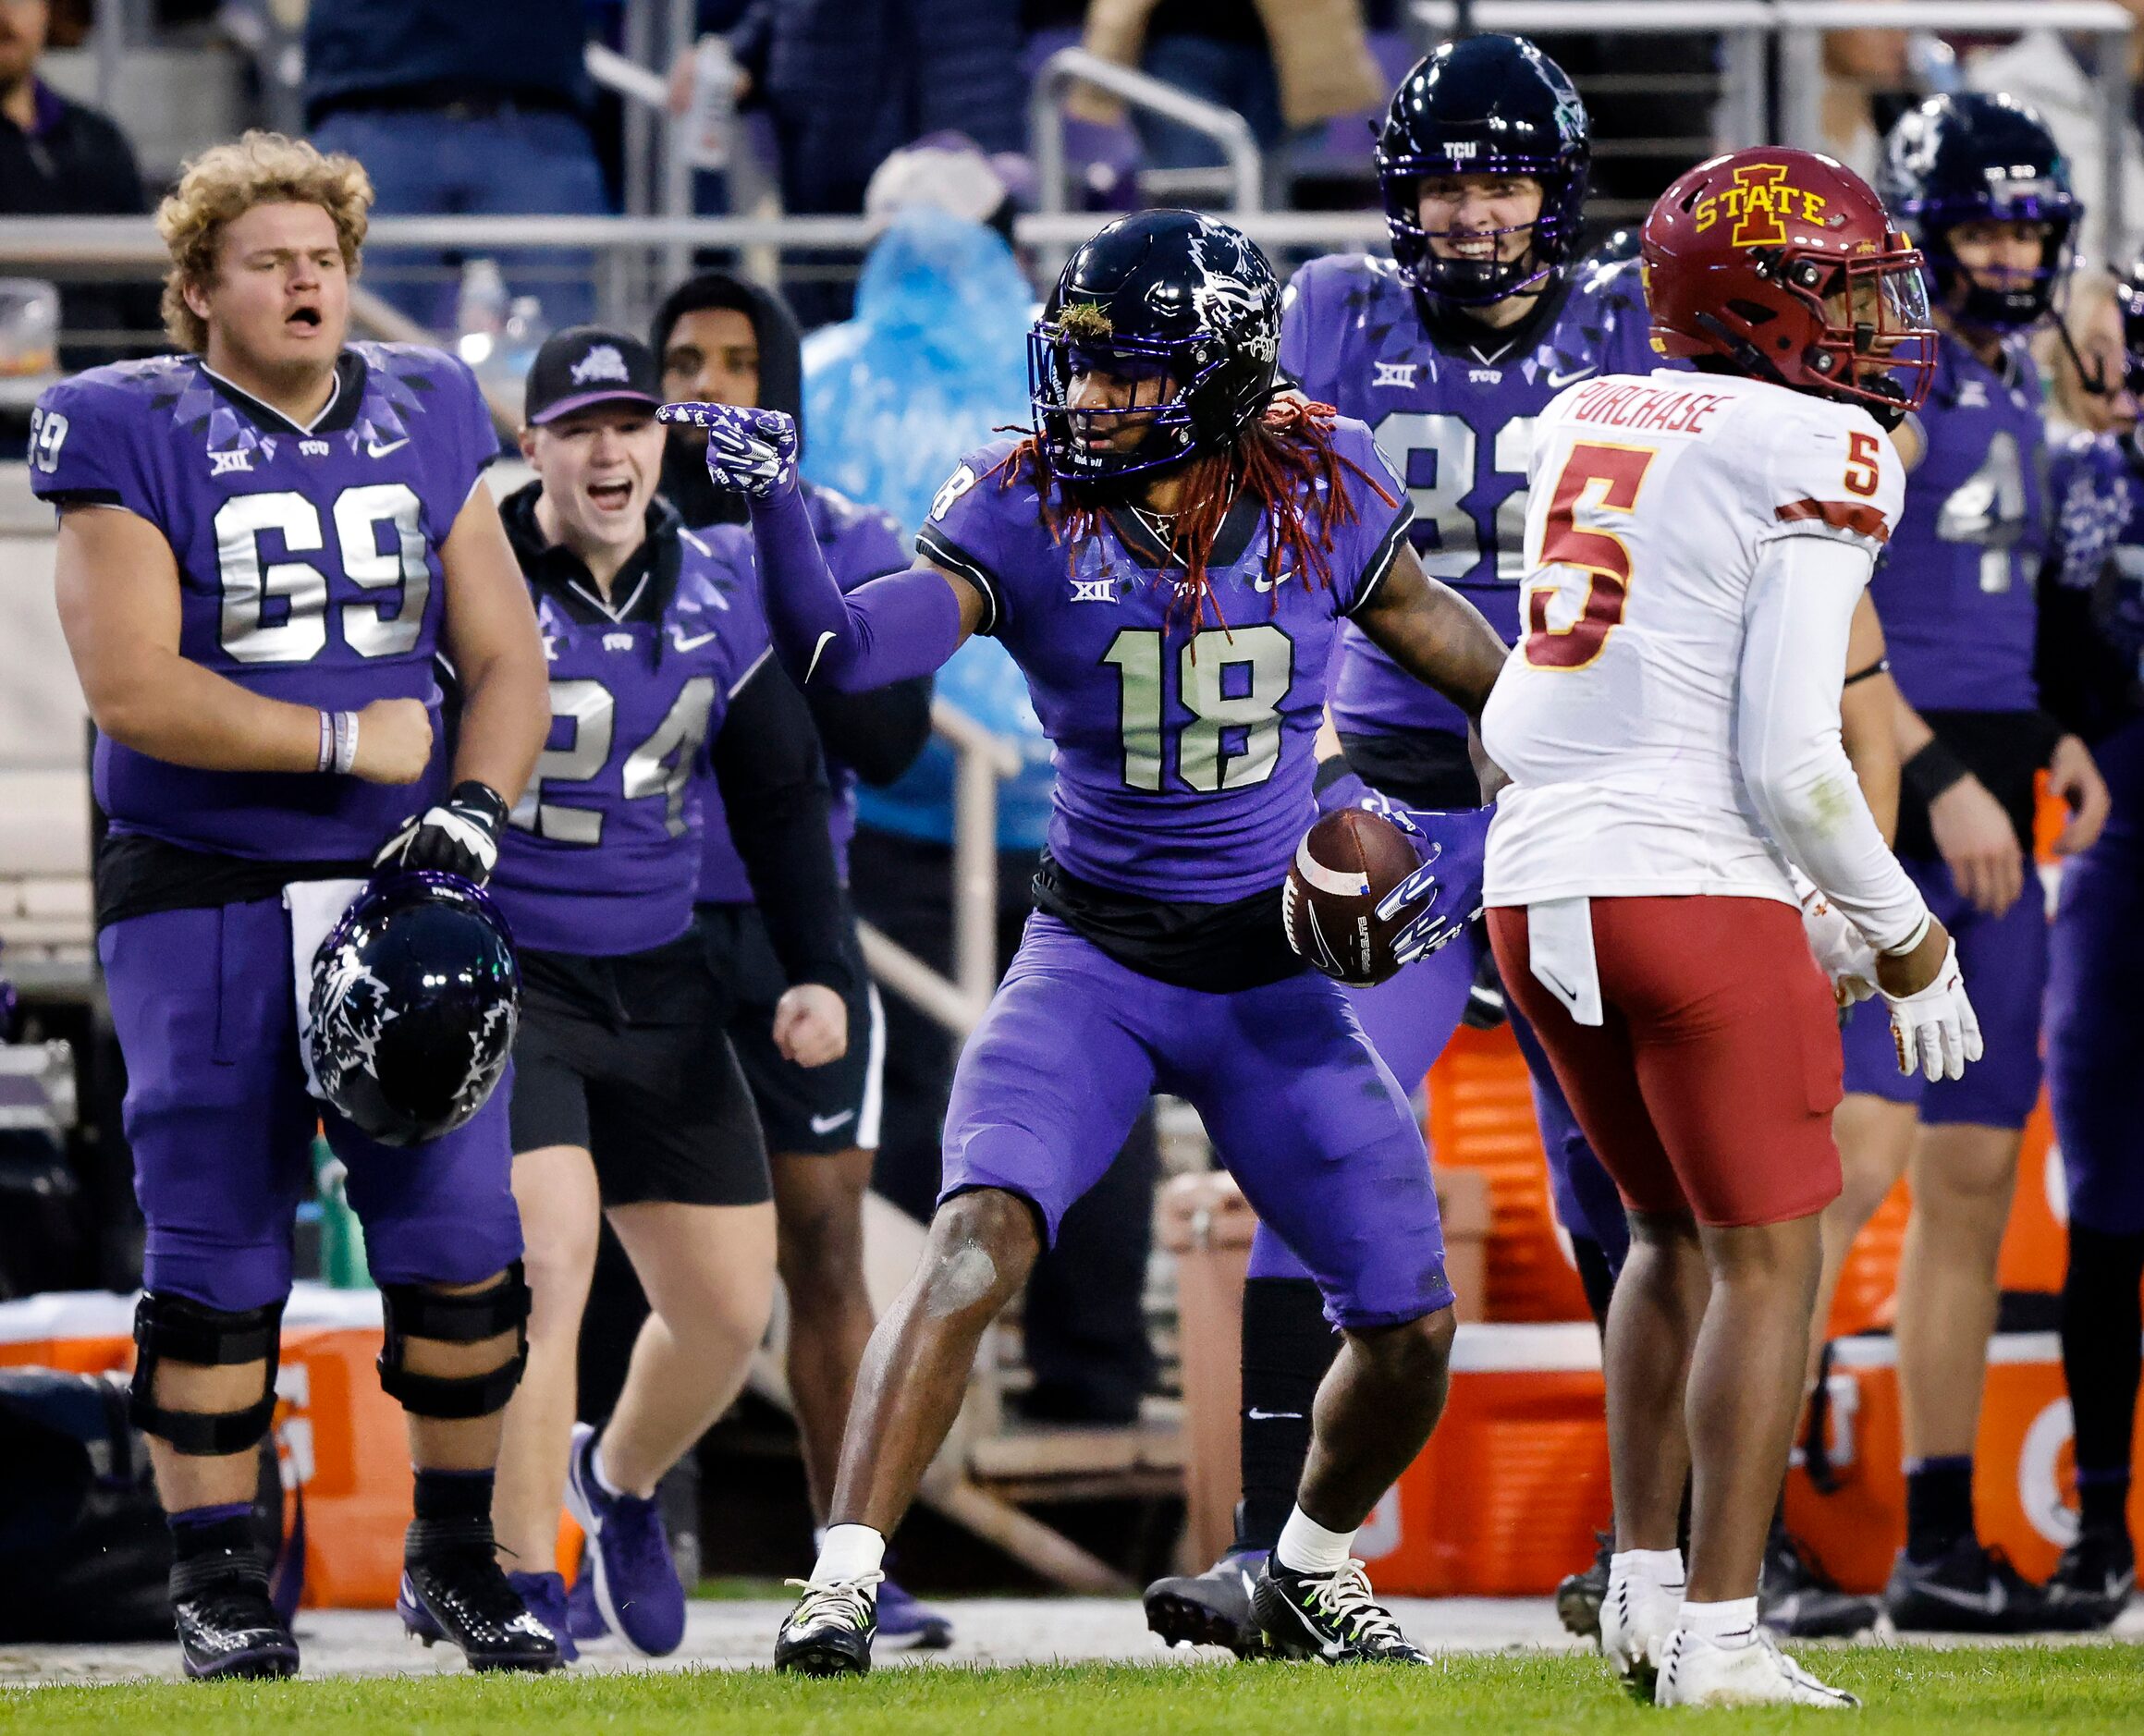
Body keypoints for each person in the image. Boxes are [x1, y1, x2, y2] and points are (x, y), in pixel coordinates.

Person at [665, 207, 1513, 1675]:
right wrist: (780, 514)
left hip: (1268, 969)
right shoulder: (1025, 494)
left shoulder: (1320, 482)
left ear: (1227, 376)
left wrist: (1526, 819)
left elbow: (1459, 655)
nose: (1093, 399)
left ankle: (1307, 1563)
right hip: (1096, 958)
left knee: (1410, 1322)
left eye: (1130, 373)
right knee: (972, 1241)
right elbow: (848, 653)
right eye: (1084, 367)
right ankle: (843, 1579)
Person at [29, 131, 554, 1678]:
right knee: (214, 1228)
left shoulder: (430, 404)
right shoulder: (126, 422)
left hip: (395, 877)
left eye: (322, 256)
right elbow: (130, 685)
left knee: (461, 1230)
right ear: (197, 292)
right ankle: (219, 1578)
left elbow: (508, 655)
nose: (307, 278)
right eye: (269, 259)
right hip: (200, 869)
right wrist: (339, 737)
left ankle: (456, 1558)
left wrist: (469, 801)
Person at [1483, 144, 1974, 1708]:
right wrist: (1900, 936)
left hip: (1530, 878)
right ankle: (1716, 1631)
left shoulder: (1583, 411)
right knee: (1771, 1260)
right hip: (1678, 881)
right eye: (1849, 290)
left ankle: (1636, 1589)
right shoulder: (1819, 442)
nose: (1882, 322)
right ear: (1766, 301)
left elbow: (1520, 703)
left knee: (1665, 1236)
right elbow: (1787, 752)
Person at [479, 325, 853, 1658]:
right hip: (509, 968)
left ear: (660, 442)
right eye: (577, 425)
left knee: (724, 1309)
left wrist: (820, 968)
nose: (608, 449)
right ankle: (518, 1580)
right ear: (530, 448)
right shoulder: (478, 577)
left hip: (661, 971)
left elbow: (774, 790)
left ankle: (619, 1483)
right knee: (547, 1257)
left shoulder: (720, 580)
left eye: (630, 424)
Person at [1809, 92, 2109, 1634]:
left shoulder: (2004, 374)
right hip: (1891, 792)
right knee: (1847, 1156)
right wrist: (1928, 774)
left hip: (1989, 784)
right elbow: (1824, 596)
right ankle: (1752, 1520)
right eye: (1976, 225)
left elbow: (1996, 603)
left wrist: (2039, 736)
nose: (2000, 252)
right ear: (1923, 233)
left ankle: (1932, 1530)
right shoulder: (1902, 368)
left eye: (2019, 227)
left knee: (1971, 1175)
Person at [646, 273, 950, 1648]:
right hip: (621, 925)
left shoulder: (841, 533)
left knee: (823, 1249)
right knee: (616, 1259)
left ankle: (851, 1563)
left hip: (792, 934)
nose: (709, 388)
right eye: (682, 362)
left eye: (736, 362)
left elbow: (887, 748)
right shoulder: (593, 528)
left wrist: (772, 550)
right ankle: (617, 1530)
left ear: (786, 390)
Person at [2035, 260, 2144, 1626]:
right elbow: (2030, 648)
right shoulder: (2065, 473)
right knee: (2106, 1199)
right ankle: (2098, 1528)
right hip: (2115, 839)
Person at [303, 0, 611, 329]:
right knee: (350, 355)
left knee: (572, 359)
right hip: (366, 103)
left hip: (534, 110)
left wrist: (678, 39)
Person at [0, 0, 156, 367]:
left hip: (112, 391)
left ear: (45, 10)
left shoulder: (99, 138)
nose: (4, 14)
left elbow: (147, 296)